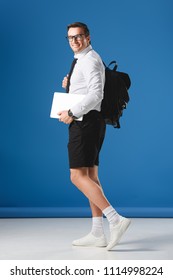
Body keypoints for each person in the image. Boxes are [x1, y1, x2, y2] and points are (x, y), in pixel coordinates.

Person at [58, 22, 130, 250]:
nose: (74, 41)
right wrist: (71, 84)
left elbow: (96, 95)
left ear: (88, 37)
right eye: (70, 37)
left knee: (77, 176)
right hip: (91, 123)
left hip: (85, 123)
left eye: (79, 36)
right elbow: (88, 88)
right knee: (91, 177)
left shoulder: (89, 59)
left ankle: (116, 220)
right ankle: (98, 233)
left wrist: (71, 112)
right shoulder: (84, 59)